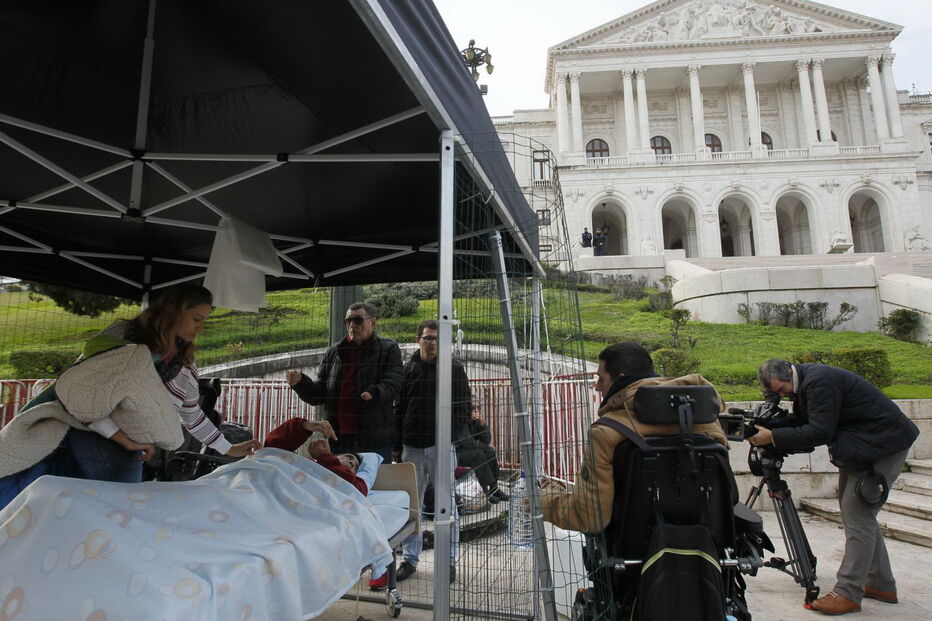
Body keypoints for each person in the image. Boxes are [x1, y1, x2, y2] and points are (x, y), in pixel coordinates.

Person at [0, 284, 259, 509]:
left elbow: (191, 413)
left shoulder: (183, 365)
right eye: (196, 319)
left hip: (124, 446)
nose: (201, 328)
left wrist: (228, 447)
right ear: (174, 313)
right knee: (114, 508)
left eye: (204, 320)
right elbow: (85, 396)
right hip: (84, 436)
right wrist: (123, 438)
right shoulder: (123, 338)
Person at [750, 359, 920, 615]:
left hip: (883, 446)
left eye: (782, 390)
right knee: (858, 515)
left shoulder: (819, 382)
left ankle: (848, 593)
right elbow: (805, 420)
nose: (783, 395)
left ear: (788, 372)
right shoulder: (807, 381)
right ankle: (881, 584)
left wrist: (772, 437)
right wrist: (768, 425)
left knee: (858, 517)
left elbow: (819, 431)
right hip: (862, 447)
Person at [539, 342, 727, 534]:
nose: (597, 388)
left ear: (619, 380)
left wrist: (546, 499)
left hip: (634, 552)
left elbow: (590, 517)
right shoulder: (706, 420)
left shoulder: (606, 432)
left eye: (601, 379)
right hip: (710, 546)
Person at [391, 319, 471, 585]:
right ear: (418, 340)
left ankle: (448, 562)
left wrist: (451, 437)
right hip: (411, 446)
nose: (433, 342)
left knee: (446, 506)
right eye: (428, 338)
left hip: (441, 446)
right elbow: (399, 408)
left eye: (437, 338)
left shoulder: (454, 368)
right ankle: (410, 559)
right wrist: (396, 445)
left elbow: (463, 405)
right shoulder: (408, 369)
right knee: (411, 506)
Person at [286, 302, 403, 462]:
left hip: (375, 438)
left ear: (373, 323)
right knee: (339, 483)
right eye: (348, 321)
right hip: (339, 438)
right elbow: (319, 395)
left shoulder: (388, 348)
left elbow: (394, 381)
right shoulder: (334, 351)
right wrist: (300, 383)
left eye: (358, 320)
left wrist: (374, 392)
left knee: (375, 484)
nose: (352, 325)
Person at [262, 417, 367, 496]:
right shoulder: (305, 463)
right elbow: (272, 451)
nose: (352, 462)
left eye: (355, 467)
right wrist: (304, 426)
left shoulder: (358, 485)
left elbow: (356, 493)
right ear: (335, 456)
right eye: (349, 457)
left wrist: (326, 458)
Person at [457, 404, 508, 503]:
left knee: (490, 452)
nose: (476, 411)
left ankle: (494, 487)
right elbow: (468, 443)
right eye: (473, 408)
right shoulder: (462, 422)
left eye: (478, 408)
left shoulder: (475, 422)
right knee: (478, 455)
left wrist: (482, 425)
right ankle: (485, 491)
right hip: (457, 453)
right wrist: (485, 447)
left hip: (469, 450)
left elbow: (486, 440)